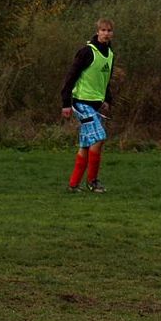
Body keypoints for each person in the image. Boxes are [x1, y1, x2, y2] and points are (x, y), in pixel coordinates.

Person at [60, 18, 115, 193]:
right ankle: (93, 182)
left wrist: (107, 99)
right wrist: (66, 103)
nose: (106, 33)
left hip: (95, 105)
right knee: (99, 138)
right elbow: (71, 76)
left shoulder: (110, 54)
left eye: (109, 30)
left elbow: (105, 80)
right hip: (81, 103)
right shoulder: (86, 52)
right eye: (103, 30)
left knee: (85, 144)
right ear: (97, 32)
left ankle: (73, 185)